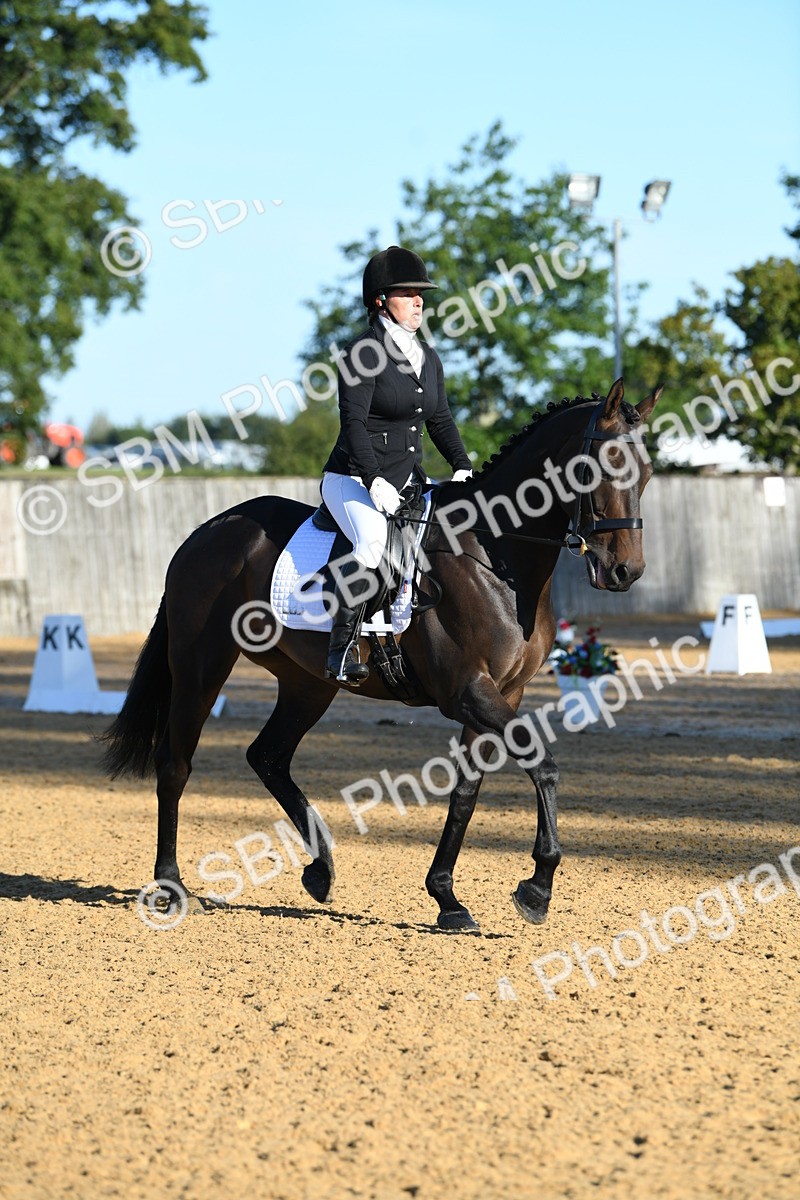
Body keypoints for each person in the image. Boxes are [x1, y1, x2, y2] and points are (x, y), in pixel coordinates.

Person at [321, 245, 473, 684]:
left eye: (420, 293)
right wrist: (372, 480)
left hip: (408, 481)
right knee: (370, 543)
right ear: (380, 300)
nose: (419, 300)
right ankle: (341, 650)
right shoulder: (362, 352)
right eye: (407, 293)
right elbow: (352, 422)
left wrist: (461, 464)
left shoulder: (428, 356)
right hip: (351, 478)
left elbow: (440, 418)